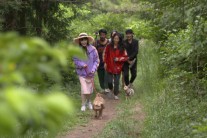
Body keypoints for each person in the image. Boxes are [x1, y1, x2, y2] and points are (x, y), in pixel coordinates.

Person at [73, 33, 99, 111]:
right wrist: (82, 64)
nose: (83, 41)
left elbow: (96, 60)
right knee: (84, 89)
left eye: (85, 39)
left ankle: (89, 102)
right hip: (82, 73)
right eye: (82, 40)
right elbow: (75, 60)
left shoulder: (93, 49)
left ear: (87, 40)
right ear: (79, 41)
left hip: (90, 73)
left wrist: (93, 69)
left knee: (89, 90)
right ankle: (83, 104)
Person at [103, 32, 128, 100]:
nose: (116, 40)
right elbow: (105, 54)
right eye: (115, 38)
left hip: (118, 67)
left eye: (117, 38)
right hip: (109, 66)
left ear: (119, 39)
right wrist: (105, 62)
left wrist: (118, 59)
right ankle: (111, 89)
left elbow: (125, 57)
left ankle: (116, 94)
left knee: (116, 82)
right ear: (113, 38)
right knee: (110, 82)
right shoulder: (108, 46)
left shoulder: (122, 47)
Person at [94, 29, 110, 93]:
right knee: (100, 75)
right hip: (99, 61)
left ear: (105, 35)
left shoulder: (109, 42)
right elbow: (93, 51)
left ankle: (107, 87)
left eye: (103, 35)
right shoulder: (96, 42)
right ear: (99, 35)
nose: (102, 36)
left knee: (107, 75)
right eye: (101, 35)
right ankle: (102, 87)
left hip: (107, 61)